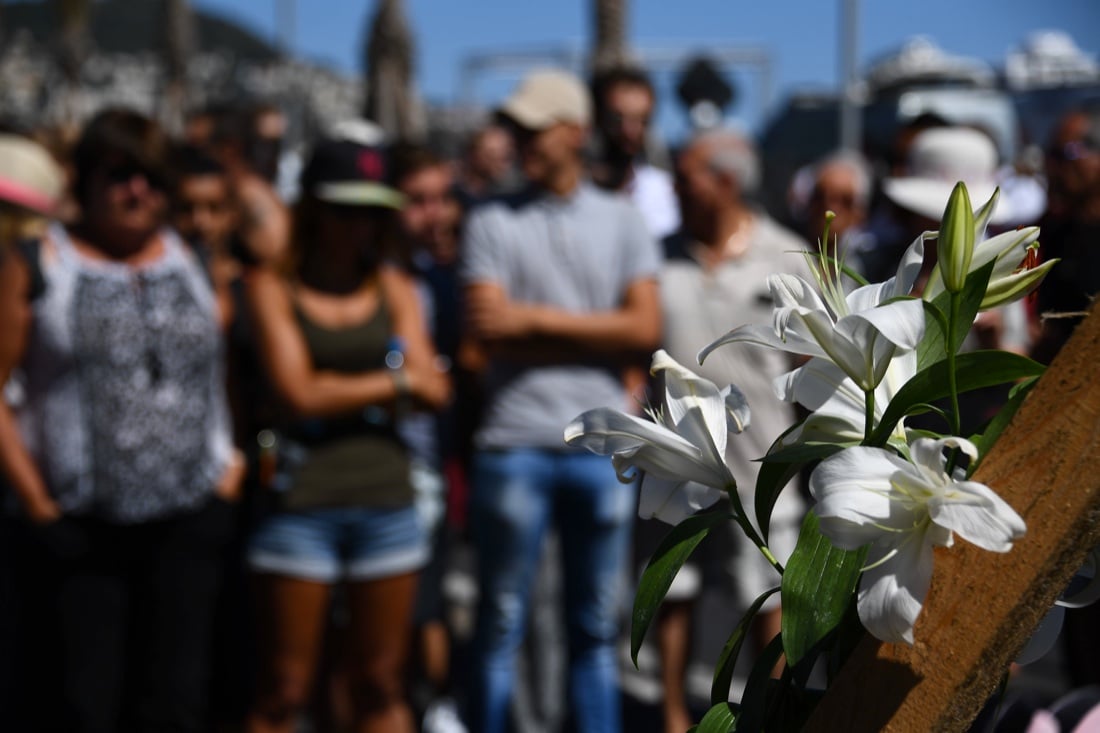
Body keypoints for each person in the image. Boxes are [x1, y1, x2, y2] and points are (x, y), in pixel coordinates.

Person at [0, 108, 244, 733]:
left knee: (177, 703)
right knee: (85, 706)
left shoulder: (192, 254)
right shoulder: (37, 263)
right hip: (81, 534)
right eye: (120, 175)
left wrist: (228, 472)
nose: (138, 192)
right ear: (84, 180)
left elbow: (225, 364)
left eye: (152, 178)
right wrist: (38, 506)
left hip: (188, 522)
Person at [460, 68, 662, 733]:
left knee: (590, 625)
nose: (520, 141)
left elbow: (644, 328)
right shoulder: (490, 216)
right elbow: (487, 329)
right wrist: (595, 332)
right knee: (503, 620)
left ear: (575, 132)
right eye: (516, 129)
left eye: (533, 129)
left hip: (589, 444)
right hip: (519, 441)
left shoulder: (622, 219)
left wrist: (529, 323)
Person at [244, 136, 450, 733]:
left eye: (372, 212)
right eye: (344, 210)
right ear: (311, 209)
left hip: (385, 498)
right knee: (285, 689)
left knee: (382, 683)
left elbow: (437, 390)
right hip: (298, 504)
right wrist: (395, 383)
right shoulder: (271, 286)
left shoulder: (395, 286)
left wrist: (338, 385)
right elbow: (295, 394)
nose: (359, 226)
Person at [641, 129, 808, 732]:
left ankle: (768, 718)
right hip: (677, 467)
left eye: (684, 179)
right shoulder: (656, 261)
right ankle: (671, 717)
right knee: (672, 593)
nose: (673, 190)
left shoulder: (790, 259)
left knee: (769, 597)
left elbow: (814, 368)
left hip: (763, 468)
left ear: (727, 183)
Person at [591, 65, 680, 239]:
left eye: (642, 120)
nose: (629, 131)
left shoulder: (663, 192)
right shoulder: (573, 191)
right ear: (596, 116)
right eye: (617, 119)